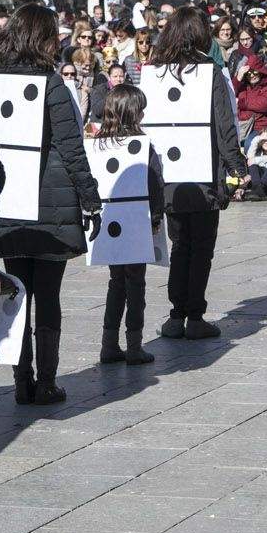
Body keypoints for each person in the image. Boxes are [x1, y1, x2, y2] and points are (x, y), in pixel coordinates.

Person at [0, 4, 103, 405]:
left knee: (18, 293)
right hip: (51, 204)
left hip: (9, 203)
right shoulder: (52, 84)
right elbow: (71, 148)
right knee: (48, 296)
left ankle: (22, 381)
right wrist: (91, 199)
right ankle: (47, 382)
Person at [149, 7, 247, 340]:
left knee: (180, 244)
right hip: (203, 174)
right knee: (201, 247)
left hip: (169, 176)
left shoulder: (155, 72)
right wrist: (237, 167)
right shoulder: (209, 72)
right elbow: (224, 124)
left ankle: (176, 315)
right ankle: (193, 316)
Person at [91, 84, 163, 365]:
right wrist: (155, 218)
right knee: (135, 285)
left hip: (110, 222)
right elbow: (154, 183)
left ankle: (108, 345)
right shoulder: (142, 147)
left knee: (116, 282)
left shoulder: (99, 144)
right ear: (133, 114)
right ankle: (134, 346)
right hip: (135, 223)